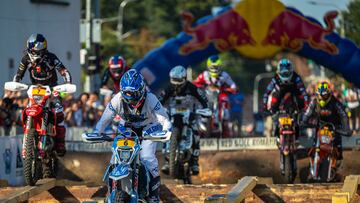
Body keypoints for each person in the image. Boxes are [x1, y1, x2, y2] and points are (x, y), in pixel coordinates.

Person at [94, 69, 172, 203]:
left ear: (142, 90)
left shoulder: (151, 98)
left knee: (147, 157)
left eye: (134, 95)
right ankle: (111, 190)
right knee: (115, 157)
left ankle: (153, 194)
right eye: (127, 95)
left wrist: (166, 130)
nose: (131, 100)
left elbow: (164, 119)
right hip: (127, 128)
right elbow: (104, 119)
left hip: (148, 128)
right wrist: (97, 132)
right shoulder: (117, 99)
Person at [13, 34, 72, 156]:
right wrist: (15, 84)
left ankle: (60, 142)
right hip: (34, 89)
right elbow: (18, 74)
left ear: (42, 49)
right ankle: (28, 144)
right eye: (31, 50)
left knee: (59, 110)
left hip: (53, 88)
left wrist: (68, 84)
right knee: (26, 109)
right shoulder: (26, 59)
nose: (33, 53)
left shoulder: (51, 57)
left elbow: (64, 71)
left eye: (35, 51)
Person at [159, 65, 208, 175]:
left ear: (184, 79)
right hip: (172, 116)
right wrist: (156, 109)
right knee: (165, 132)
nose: (176, 84)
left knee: (196, 133)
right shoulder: (168, 88)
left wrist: (205, 109)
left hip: (190, 116)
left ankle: (195, 162)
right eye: (174, 80)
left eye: (178, 80)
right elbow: (159, 100)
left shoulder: (192, 87)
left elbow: (203, 98)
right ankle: (167, 161)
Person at [302, 81, 352, 169]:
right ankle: (312, 165)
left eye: (324, 95)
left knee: (338, 145)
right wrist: (303, 122)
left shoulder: (335, 102)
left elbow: (343, 115)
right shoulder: (314, 102)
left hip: (334, 126)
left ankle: (337, 161)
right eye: (320, 95)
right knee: (313, 145)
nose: (322, 97)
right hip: (320, 126)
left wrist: (346, 128)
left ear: (329, 94)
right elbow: (307, 113)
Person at [262, 58, 309, 139]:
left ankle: (300, 125)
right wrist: (265, 107)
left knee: (301, 102)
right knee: (274, 103)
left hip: (294, 91)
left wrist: (306, 105)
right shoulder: (275, 78)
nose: (285, 74)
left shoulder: (296, 77)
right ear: (279, 71)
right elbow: (267, 92)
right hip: (280, 91)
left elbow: (303, 92)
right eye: (283, 72)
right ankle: (276, 123)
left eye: (287, 72)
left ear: (291, 70)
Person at [193, 55, 236, 137]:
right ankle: (199, 127)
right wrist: (197, 87)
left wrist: (231, 89)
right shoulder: (204, 75)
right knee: (197, 105)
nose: (214, 69)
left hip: (220, 95)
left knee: (225, 108)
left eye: (216, 67)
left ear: (220, 66)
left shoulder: (225, 75)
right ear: (208, 66)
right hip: (207, 95)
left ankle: (225, 128)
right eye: (212, 67)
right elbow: (195, 82)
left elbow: (233, 85)